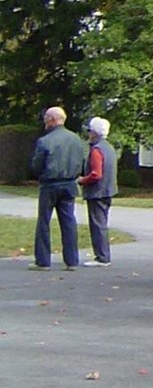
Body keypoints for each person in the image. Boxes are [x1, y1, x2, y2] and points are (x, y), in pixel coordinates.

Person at [28, 106, 86, 271]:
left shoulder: (45, 141)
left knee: (44, 222)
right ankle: (72, 261)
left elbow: (36, 165)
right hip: (69, 184)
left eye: (46, 118)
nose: (45, 121)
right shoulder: (76, 139)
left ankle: (43, 260)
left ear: (52, 120)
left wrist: (38, 173)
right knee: (68, 221)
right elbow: (82, 161)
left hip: (50, 184)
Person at [78, 117, 118, 267]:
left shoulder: (96, 150)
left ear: (94, 133)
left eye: (89, 131)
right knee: (102, 222)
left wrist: (82, 180)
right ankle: (103, 255)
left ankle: (102, 257)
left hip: (97, 192)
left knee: (97, 224)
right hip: (108, 190)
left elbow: (96, 174)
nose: (88, 134)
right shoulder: (109, 147)